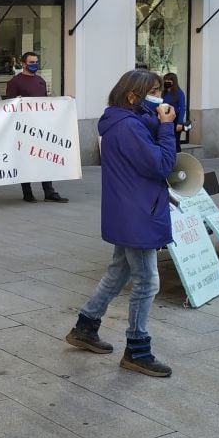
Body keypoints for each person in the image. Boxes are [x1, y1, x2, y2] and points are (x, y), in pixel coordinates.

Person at [64, 69, 176, 378]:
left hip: (129, 210)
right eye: (155, 91)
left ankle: (85, 327)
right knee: (147, 282)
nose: (161, 97)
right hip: (138, 214)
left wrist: (159, 124)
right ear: (133, 97)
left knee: (118, 272)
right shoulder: (129, 128)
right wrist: (167, 128)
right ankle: (137, 350)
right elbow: (163, 164)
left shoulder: (121, 123)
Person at [5, 52, 68, 203]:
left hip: (41, 126)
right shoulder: (15, 82)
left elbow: (45, 102)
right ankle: (27, 192)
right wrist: (16, 101)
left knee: (45, 157)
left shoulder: (40, 80)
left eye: (36, 61)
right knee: (26, 158)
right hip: (24, 128)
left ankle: (49, 191)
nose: (35, 64)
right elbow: (8, 104)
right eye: (31, 61)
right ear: (23, 64)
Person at [161, 72, 187, 153]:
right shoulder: (164, 93)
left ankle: (178, 160)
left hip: (175, 119)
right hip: (165, 118)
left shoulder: (179, 93)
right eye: (165, 80)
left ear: (174, 81)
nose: (166, 82)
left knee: (175, 141)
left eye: (169, 80)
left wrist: (179, 122)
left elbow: (182, 108)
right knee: (167, 140)